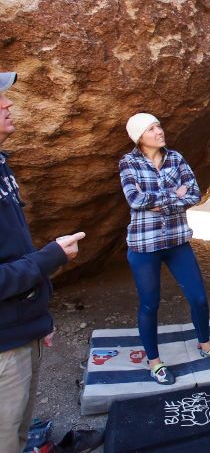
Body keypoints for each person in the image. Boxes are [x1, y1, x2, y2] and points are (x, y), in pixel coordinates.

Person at [0, 71, 85, 453]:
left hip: (20, 333)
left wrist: (38, 320)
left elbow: (15, 251)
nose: (7, 103)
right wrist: (51, 257)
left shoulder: (2, 166)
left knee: (17, 436)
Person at [119, 113, 210, 385]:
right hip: (144, 245)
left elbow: (194, 193)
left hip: (176, 241)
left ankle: (206, 345)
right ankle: (155, 362)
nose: (160, 131)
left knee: (199, 298)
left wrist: (160, 201)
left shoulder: (176, 158)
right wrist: (175, 196)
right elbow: (135, 200)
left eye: (159, 126)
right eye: (152, 128)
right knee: (150, 304)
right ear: (139, 137)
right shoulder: (128, 162)